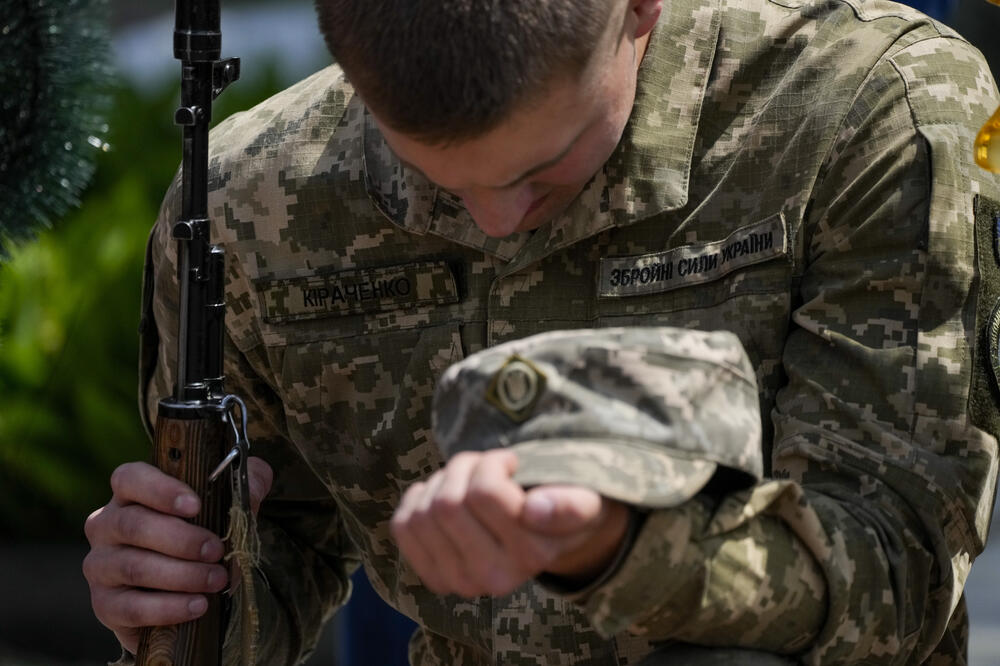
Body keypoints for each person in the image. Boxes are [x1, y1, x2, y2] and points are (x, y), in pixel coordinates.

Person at [82, 0, 1000, 663]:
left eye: (547, 170)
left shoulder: (869, 107)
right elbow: (281, 541)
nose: (494, 220)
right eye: (433, 178)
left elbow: (896, 571)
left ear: (638, 11)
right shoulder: (257, 201)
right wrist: (187, 588)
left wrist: (620, 544)